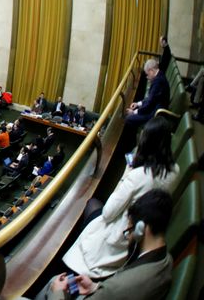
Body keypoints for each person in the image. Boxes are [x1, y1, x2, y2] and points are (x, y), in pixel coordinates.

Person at [62, 117, 178, 278]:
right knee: (92, 206)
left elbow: (108, 213)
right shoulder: (174, 171)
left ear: (147, 143)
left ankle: (71, 269)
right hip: (145, 232)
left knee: (91, 206)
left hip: (122, 237)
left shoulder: (137, 176)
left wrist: (126, 174)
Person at [35, 189, 173, 300]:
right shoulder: (166, 260)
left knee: (52, 284)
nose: (129, 236)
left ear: (142, 229)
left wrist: (58, 293)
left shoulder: (117, 287)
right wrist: (96, 287)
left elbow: (116, 290)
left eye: (129, 230)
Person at [125, 59, 170, 128]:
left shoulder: (158, 82)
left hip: (155, 113)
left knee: (129, 118)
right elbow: (151, 98)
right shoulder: (160, 74)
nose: (147, 77)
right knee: (132, 114)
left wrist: (134, 112)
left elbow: (150, 103)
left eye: (147, 74)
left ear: (151, 71)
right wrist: (138, 103)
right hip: (154, 107)